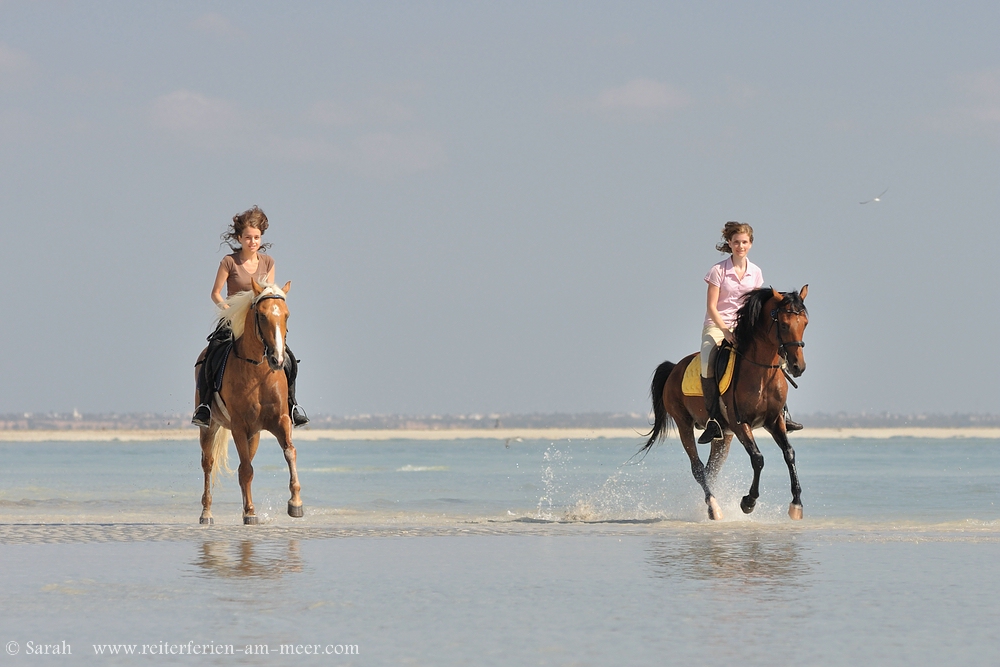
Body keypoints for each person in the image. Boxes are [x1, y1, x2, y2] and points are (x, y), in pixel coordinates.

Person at [192, 206, 309, 428]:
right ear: (240, 238)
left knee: (288, 358)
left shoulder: (268, 262)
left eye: (256, 237)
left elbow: (268, 294)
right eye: (248, 237)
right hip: (232, 319)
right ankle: (205, 407)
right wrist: (229, 309)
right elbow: (215, 293)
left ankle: (292, 406)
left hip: (259, 321)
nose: (252, 242)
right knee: (211, 355)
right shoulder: (229, 261)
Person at [698, 221, 801, 443]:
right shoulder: (718, 271)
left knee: (779, 357)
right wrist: (725, 332)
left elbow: (756, 305)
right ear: (729, 243)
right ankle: (714, 419)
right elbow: (711, 307)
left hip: (746, 327)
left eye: (744, 242)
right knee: (707, 361)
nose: (740, 246)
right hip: (717, 326)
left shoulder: (756, 272)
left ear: (750, 244)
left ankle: (782, 413)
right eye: (736, 242)